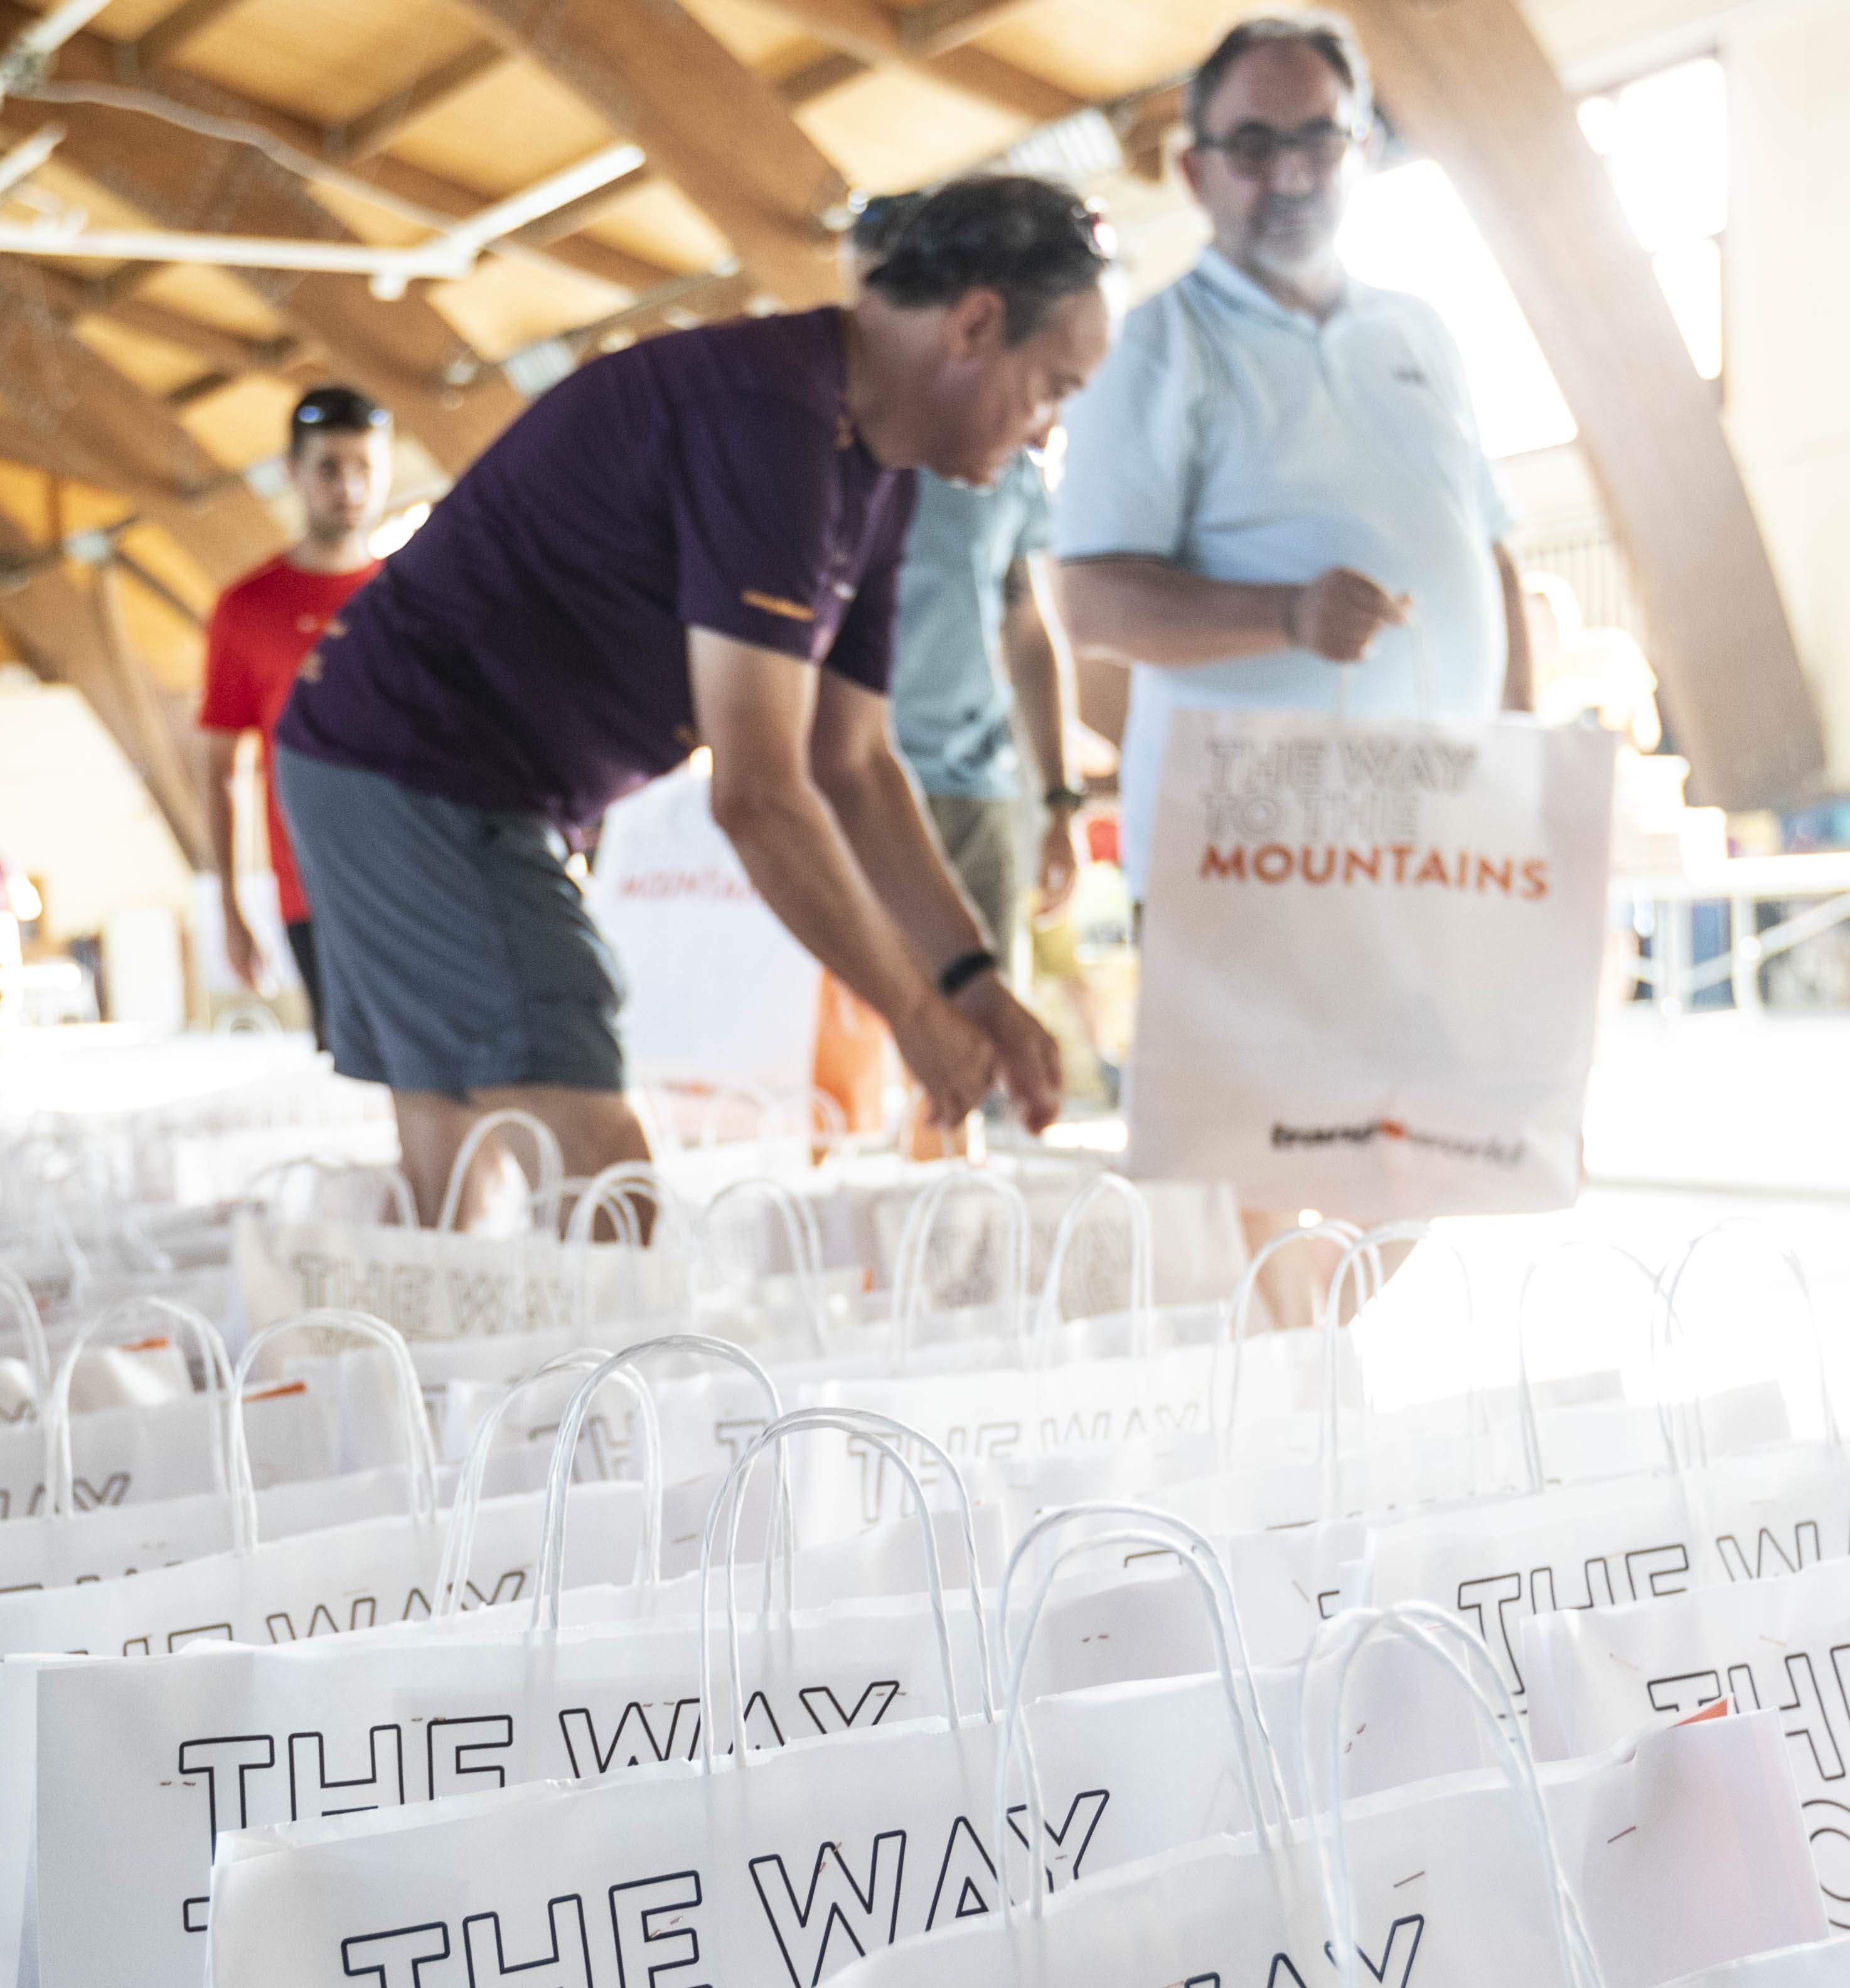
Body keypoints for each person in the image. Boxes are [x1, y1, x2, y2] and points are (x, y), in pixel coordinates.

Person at [275, 176, 1099, 1225]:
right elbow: (758, 795)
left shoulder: (877, 471)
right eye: (1050, 388)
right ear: (974, 324)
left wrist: (972, 981)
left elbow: (852, 762)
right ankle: (606, 1382)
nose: (1045, 437)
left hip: (404, 763)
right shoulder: (772, 420)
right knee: (597, 1158)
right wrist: (910, 1009)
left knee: (462, 1157)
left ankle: (449, 1373)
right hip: (416, 764)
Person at [1050, 13, 1534, 1276]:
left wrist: (1517, 759)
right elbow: (1092, 604)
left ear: (1360, 149)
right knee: (1256, 1166)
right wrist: (1279, 617)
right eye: (1251, 146)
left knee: (1445, 1137)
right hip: (1252, 836)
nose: (1288, 175)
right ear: (1192, 169)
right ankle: (1258, 1416)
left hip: (1429, 830)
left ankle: (1301, 1375)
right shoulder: (1153, 349)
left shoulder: (1419, 331)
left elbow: (1488, 551)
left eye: (1315, 141)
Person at [846, 192, 1098, 985]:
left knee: (987, 1035)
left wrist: (1060, 799)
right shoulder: (828, 446)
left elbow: (1027, 626)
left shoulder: (1008, 458)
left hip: (975, 785)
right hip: (853, 783)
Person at [200, 385, 390, 1033]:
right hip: (313, 890)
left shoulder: (412, 594)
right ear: (293, 473)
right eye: (330, 468)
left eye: (365, 468)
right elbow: (224, 772)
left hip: (421, 870)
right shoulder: (246, 609)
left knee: (453, 1066)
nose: (349, 488)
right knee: (367, 1068)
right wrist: (231, 906)